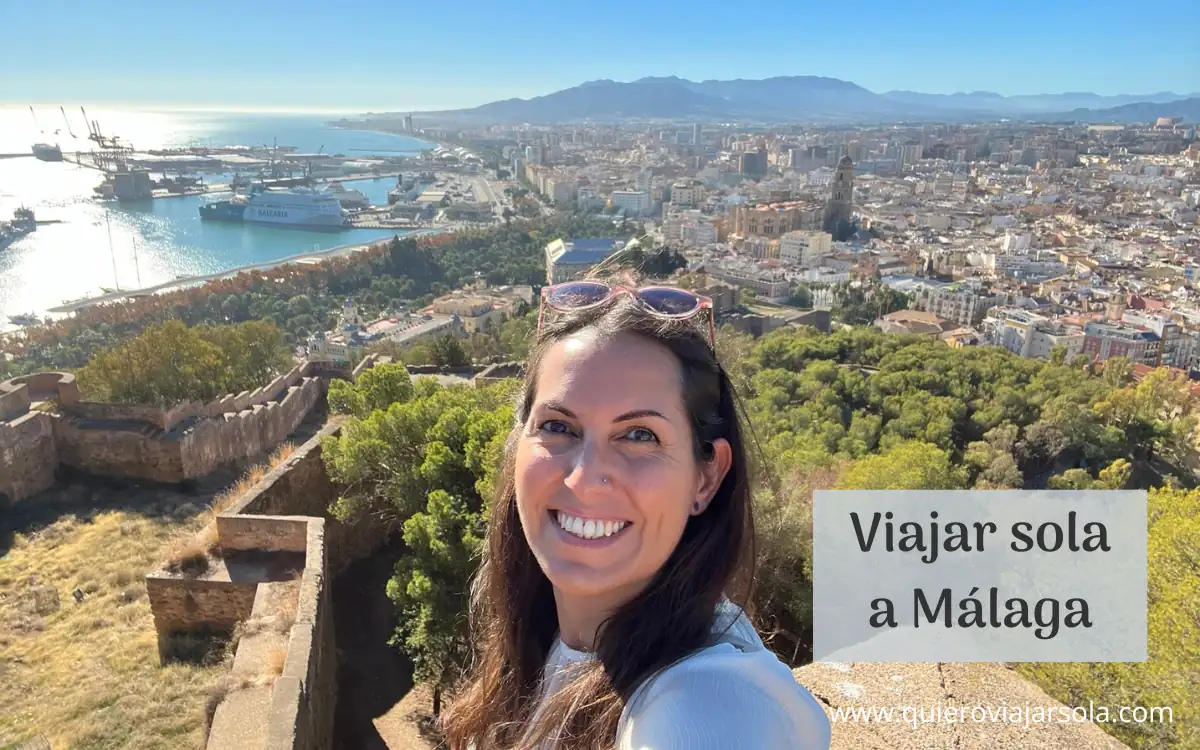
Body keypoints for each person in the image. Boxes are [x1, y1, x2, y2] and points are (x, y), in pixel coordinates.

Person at [442, 278, 832, 750]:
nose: (584, 478)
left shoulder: (705, 705)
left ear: (706, 478)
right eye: (557, 426)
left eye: (639, 435)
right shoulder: (552, 643)